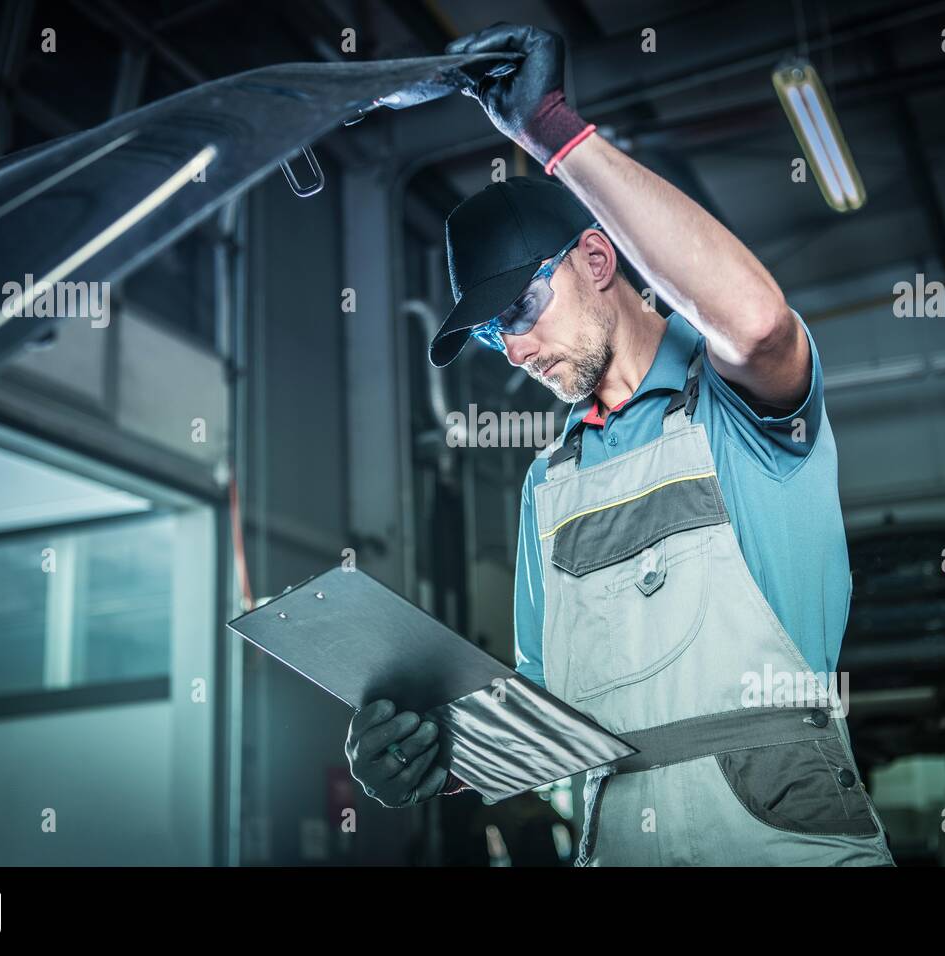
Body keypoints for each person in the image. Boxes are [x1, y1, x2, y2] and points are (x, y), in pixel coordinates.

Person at [347, 22, 894, 866]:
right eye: (495, 337)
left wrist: (553, 135)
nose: (517, 351)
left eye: (521, 311)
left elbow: (755, 324)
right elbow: (545, 717)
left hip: (785, 844)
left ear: (597, 258)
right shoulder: (547, 486)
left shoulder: (734, 411)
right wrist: (431, 759)